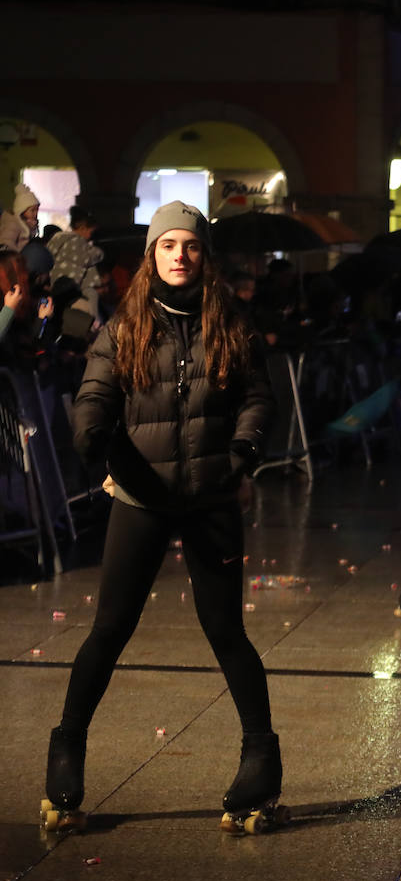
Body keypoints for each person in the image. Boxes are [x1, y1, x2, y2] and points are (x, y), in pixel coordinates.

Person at [50, 202, 281, 833]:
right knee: (110, 628)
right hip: (141, 496)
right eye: (168, 245)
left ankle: (260, 756)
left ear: (205, 256)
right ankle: (67, 744)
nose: (180, 255)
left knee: (225, 630)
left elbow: (258, 398)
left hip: (210, 497)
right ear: (152, 255)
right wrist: (92, 432)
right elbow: (95, 392)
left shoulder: (230, 321)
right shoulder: (125, 325)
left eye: (191, 246)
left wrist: (241, 454)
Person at [47, 207, 104, 317]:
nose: (91, 236)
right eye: (91, 232)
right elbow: (84, 259)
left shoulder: (59, 240)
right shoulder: (76, 242)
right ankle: (95, 325)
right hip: (73, 285)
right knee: (92, 296)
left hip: (61, 285)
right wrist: (98, 252)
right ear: (82, 228)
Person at [0, 183, 39, 253]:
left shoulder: (27, 223)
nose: (35, 213)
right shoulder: (13, 224)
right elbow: (6, 243)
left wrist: (32, 227)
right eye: (32, 210)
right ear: (21, 211)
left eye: (37, 210)